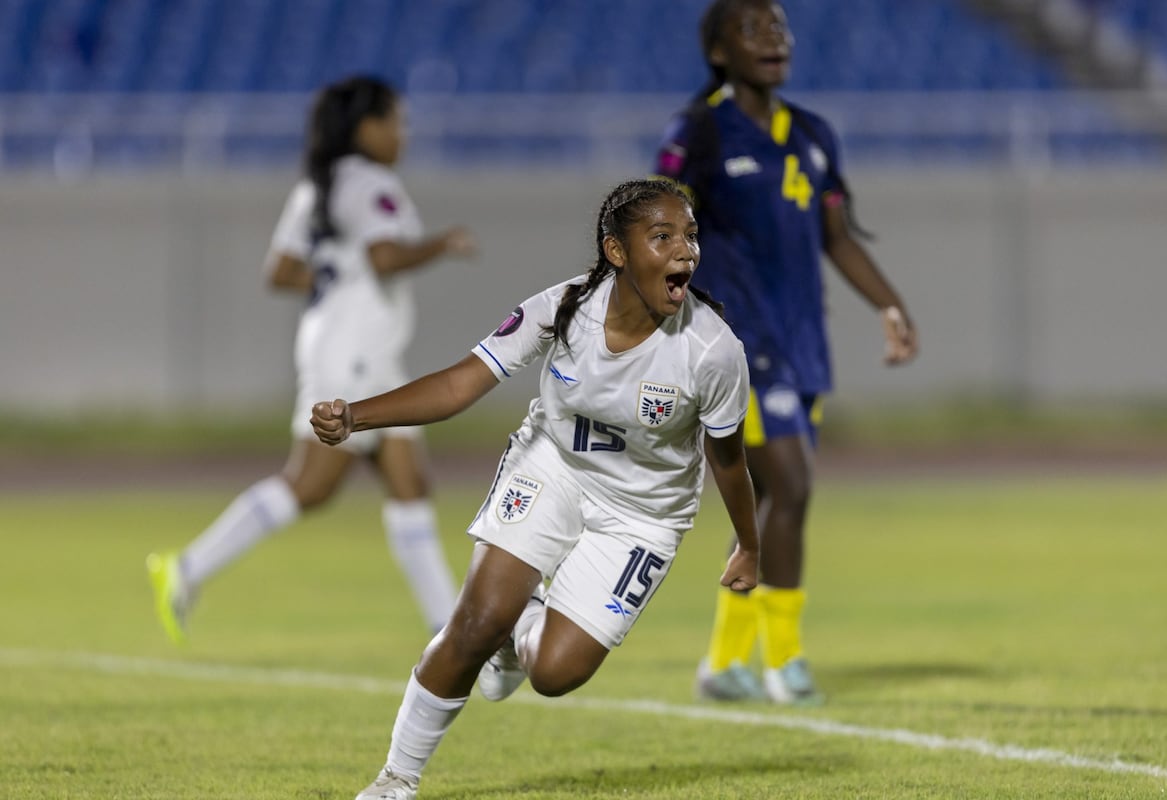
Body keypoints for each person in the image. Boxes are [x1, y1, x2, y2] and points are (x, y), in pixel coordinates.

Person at [309, 178, 760, 800]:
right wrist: (357, 416)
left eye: (690, 235)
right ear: (617, 251)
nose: (685, 250)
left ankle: (517, 630)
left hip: (643, 515)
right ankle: (396, 778)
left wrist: (748, 544)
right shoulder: (564, 308)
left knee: (554, 672)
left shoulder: (713, 351)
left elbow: (728, 459)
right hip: (553, 467)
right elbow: (459, 384)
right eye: (663, 236)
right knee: (474, 622)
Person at [146, 75, 477, 643]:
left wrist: (334, 280)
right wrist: (441, 244)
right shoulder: (371, 183)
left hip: (346, 345)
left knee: (410, 484)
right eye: (395, 122)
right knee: (311, 483)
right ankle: (187, 568)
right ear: (366, 128)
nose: (403, 134)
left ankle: (448, 631)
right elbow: (385, 257)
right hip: (356, 354)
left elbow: (280, 272)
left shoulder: (318, 186)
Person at [653, 0, 919, 705]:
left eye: (779, 27)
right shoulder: (699, 132)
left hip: (803, 341)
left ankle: (723, 662)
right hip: (737, 343)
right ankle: (786, 660)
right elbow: (658, 229)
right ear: (719, 51)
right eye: (753, 29)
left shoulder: (811, 133)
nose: (774, 39)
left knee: (771, 500)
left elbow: (837, 236)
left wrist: (889, 304)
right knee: (793, 487)